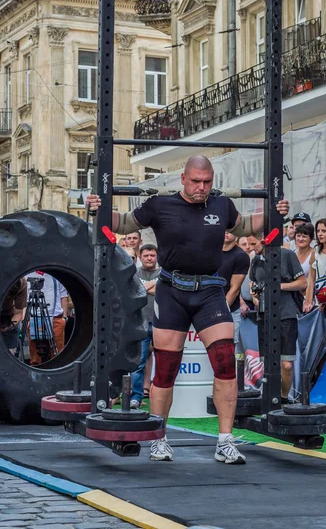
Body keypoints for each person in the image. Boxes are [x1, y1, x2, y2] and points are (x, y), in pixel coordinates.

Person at [86, 154, 289, 465]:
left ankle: (225, 441)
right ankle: (158, 438)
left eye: (207, 182)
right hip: (172, 290)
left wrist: (275, 212)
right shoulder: (160, 204)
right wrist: (97, 208)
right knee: (165, 370)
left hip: (210, 290)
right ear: (183, 178)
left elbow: (248, 226)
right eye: (196, 181)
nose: (201, 188)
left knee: (224, 363)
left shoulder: (221, 205)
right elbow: (125, 223)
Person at [248, 235, 307, 404]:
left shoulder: (287, 255)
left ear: (264, 240)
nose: (251, 247)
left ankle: (283, 398)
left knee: (286, 365)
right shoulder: (256, 260)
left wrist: (278, 286)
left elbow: (303, 283)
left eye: (253, 243)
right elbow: (252, 283)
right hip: (264, 315)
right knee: (267, 363)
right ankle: (270, 398)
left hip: (286, 314)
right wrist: (255, 296)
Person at [130, 244, 161, 409]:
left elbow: (163, 292)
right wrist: (152, 287)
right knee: (138, 362)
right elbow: (133, 291)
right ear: (140, 257)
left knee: (164, 361)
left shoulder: (163, 273)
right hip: (140, 323)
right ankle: (136, 396)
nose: (149, 258)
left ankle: (160, 396)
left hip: (161, 322)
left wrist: (143, 288)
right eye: (146, 255)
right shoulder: (134, 273)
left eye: (152, 255)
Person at [218, 232, 250, 358]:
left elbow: (235, 289)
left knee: (228, 351)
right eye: (224, 228)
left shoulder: (241, 256)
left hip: (229, 311)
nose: (226, 232)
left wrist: (220, 312)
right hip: (205, 309)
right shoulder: (210, 251)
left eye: (231, 229)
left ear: (237, 234)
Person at [27, 271, 69, 365]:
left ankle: (57, 369)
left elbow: (64, 297)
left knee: (57, 352)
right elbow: (25, 299)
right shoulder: (28, 275)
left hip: (55, 317)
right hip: (34, 317)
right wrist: (26, 319)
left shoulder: (57, 276)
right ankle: (35, 371)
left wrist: (64, 317)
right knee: (35, 354)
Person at [304, 218, 326, 313]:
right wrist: (308, 300)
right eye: (318, 231)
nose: (320, 234)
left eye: (324, 231)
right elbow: (311, 278)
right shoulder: (316, 251)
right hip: (320, 296)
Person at [0, 279, 27, 354]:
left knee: (9, 354)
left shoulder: (21, 283)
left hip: (7, 314)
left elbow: (18, 313)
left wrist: (10, 326)